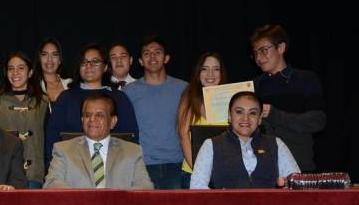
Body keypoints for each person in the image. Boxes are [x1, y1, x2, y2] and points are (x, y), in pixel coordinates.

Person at [44, 43, 139, 168]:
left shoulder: (120, 98)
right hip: (72, 169)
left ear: (105, 67)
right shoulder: (66, 98)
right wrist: (54, 167)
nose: (89, 66)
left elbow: (131, 137)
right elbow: (52, 137)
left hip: (113, 169)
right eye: (84, 62)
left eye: (95, 61)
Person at [250, 24, 326, 172]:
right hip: (261, 169)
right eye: (255, 53)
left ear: (281, 48)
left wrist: (274, 114)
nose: (258, 58)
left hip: (298, 167)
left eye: (263, 50)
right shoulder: (253, 86)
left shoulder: (306, 79)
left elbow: (318, 121)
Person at [191, 91, 300, 189]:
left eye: (252, 113)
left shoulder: (276, 144)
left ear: (260, 118)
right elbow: (197, 186)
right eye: (239, 112)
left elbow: (297, 185)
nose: (245, 118)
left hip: (268, 204)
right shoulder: (211, 145)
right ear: (229, 115)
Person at [45, 93, 153, 189]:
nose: (92, 119)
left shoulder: (132, 151)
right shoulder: (63, 150)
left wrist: (117, 200)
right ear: (82, 120)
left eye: (100, 115)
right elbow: (52, 183)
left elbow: (145, 187)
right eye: (87, 115)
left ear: (113, 121)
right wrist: (83, 199)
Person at [123, 35, 188, 189]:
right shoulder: (128, 91)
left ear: (166, 58)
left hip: (176, 164)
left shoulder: (183, 88)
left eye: (157, 52)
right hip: (141, 165)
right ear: (140, 61)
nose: (152, 56)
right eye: (147, 53)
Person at [0, 52, 48, 189]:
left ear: (30, 72)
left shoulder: (43, 102)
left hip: (34, 173)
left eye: (21, 68)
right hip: (4, 173)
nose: (15, 73)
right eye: (11, 69)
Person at [177, 52, 228, 188]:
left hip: (225, 174)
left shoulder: (231, 97)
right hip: (193, 173)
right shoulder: (189, 97)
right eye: (205, 69)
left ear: (221, 73)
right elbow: (183, 135)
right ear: (198, 73)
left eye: (216, 69)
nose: (210, 74)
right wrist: (199, 171)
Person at [35, 37, 71, 108]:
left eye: (54, 55)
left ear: (59, 60)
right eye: (45, 54)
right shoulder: (32, 87)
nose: (49, 59)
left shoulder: (71, 84)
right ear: (39, 59)